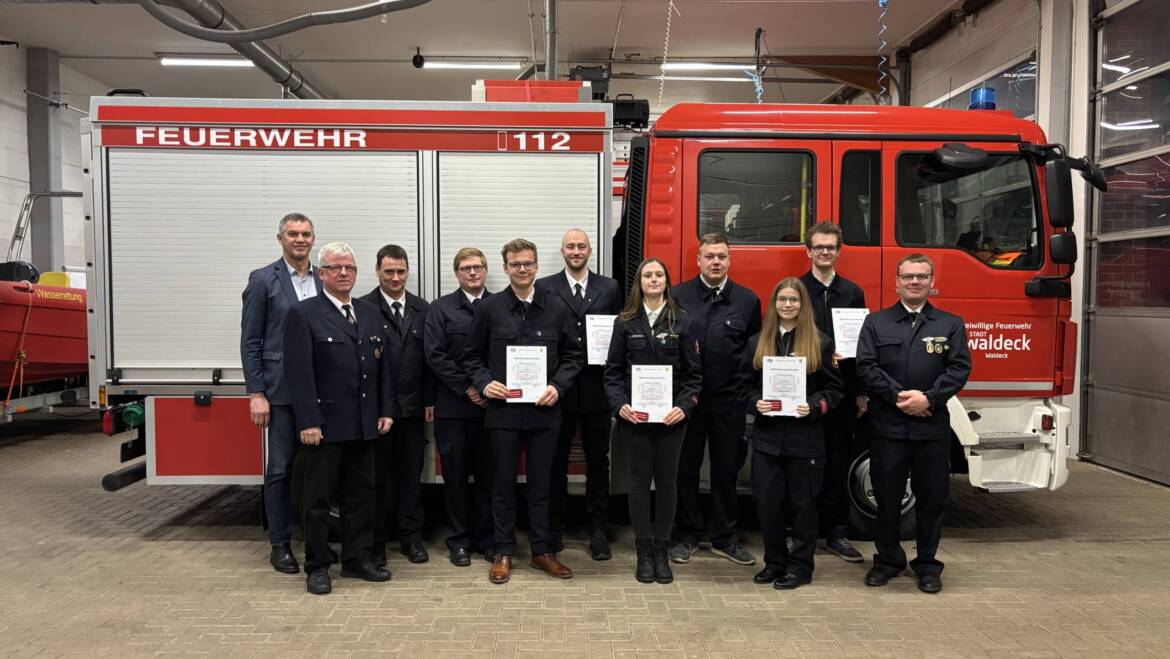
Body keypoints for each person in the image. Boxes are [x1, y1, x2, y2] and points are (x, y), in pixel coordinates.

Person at [462, 238, 585, 584]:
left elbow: (574, 356)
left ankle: (542, 551)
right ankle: (502, 551)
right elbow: (471, 355)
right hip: (502, 413)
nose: (522, 270)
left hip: (545, 413)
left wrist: (557, 386)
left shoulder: (557, 308)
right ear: (505, 269)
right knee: (501, 484)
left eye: (528, 264)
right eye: (515, 264)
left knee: (542, 485)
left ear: (536, 267)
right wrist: (485, 384)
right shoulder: (490, 309)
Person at [282, 242, 394, 595]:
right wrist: (308, 422)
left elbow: (382, 368)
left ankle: (357, 560)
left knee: (361, 496)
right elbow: (299, 375)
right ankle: (317, 566)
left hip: (363, 423)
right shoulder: (304, 314)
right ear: (322, 273)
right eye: (335, 268)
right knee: (317, 501)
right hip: (325, 427)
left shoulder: (369, 311)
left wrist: (385, 409)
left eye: (349, 267)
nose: (343, 273)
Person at [856, 254, 972, 594]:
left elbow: (959, 369)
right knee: (887, 498)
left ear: (932, 282)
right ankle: (888, 560)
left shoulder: (950, 324)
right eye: (908, 276)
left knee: (933, 498)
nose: (915, 282)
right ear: (897, 281)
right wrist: (900, 398)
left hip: (931, 430)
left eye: (921, 276)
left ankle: (927, 565)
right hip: (888, 428)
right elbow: (866, 366)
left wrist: (929, 399)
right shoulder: (876, 323)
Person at [738, 278, 843, 590]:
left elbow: (835, 389)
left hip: (805, 440)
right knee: (767, 504)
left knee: (802, 506)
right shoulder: (757, 342)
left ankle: (800, 567)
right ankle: (774, 562)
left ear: (802, 305)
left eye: (793, 300)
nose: (787, 305)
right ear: (774, 305)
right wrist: (754, 403)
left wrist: (813, 406)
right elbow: (743, 385)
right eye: (782, 299)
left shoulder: (820, 343)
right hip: (768, 440)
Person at [604, 258, 701, 584]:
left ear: (667, 280)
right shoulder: (625, 323)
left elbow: (694, 376)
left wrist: (684, 407)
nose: (654, 279)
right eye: (648, 274)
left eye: (659, 274)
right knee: (638, 484)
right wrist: (621, 406)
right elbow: (612, 373)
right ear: (639, 282)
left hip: (672, 420)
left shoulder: (683, 323)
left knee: (668, 484)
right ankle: (643, 551)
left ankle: (662, 550)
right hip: (636, 419)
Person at [671, 232, 762, 566]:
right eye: (709, 256)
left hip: (729, 402)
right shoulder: (677, 296)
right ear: (698, 260)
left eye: (722, 256)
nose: (715, 262)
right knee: (686, 469)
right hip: (688, 401)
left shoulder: (747, 301)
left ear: (729, 260)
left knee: (727, 470)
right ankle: (687, 535)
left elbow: (753, 351)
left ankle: (726, 536)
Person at [240, 212, 322, 575]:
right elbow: (250, 340)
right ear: (280, 239)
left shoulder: (324, 277)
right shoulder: (263, 280)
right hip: (281, 392)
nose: (300, 239)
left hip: (320, 392)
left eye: (305, 234)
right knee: (280, 470)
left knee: (316, 472)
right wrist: (256, 392)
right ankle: (280, 544)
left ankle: (315, 543)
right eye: (293, 234)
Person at [535, 229, 622, 561]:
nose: (575, 251)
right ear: (562, 251)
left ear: (590, 251)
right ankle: (554, 527)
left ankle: (597, 530)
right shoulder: (545, 286)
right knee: (555, 463)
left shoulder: (609, 287)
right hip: (559, 389)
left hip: (598, 388)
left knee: (598, 462)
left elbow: (616, 333)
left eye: (581, 246)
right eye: (570, 246)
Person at [360, 244, 434, 566]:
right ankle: (376, 543)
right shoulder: (363, 308)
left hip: (414, 409)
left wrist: (430, 400)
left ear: (408, 272)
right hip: (378, 412)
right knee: (377, 480)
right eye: (388, 271)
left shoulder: (423, 308)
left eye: (400, 271)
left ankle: (411, 539)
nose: (395, 277)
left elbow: (431, 359)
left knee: (410, 477)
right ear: (377, 271)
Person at [798, 221, 867, 563]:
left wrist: (861, 392)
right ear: (808, 251)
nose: (824, 252)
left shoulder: (853, 292)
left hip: (842, 392)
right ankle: (801, 531)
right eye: (819, 246)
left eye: (830, 247)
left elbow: (862, 344)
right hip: (805, 393)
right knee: (803, 465)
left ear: (839, 252)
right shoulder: (795, 290)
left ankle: (836, 533)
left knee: (838, 464)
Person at [424, 247, 495, 566]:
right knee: (454, 478)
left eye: (478, 267)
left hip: (492, 409)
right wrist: (468, 388)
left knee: (489, 478)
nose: (472, 273)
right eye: (466, 268)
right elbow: (435, 355)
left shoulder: (499, 305)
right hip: (453, 408)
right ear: (456, 273)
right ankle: (458, 541)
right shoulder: (440, 309)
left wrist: (489, 388)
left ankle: (486, 539)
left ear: (486, 270)